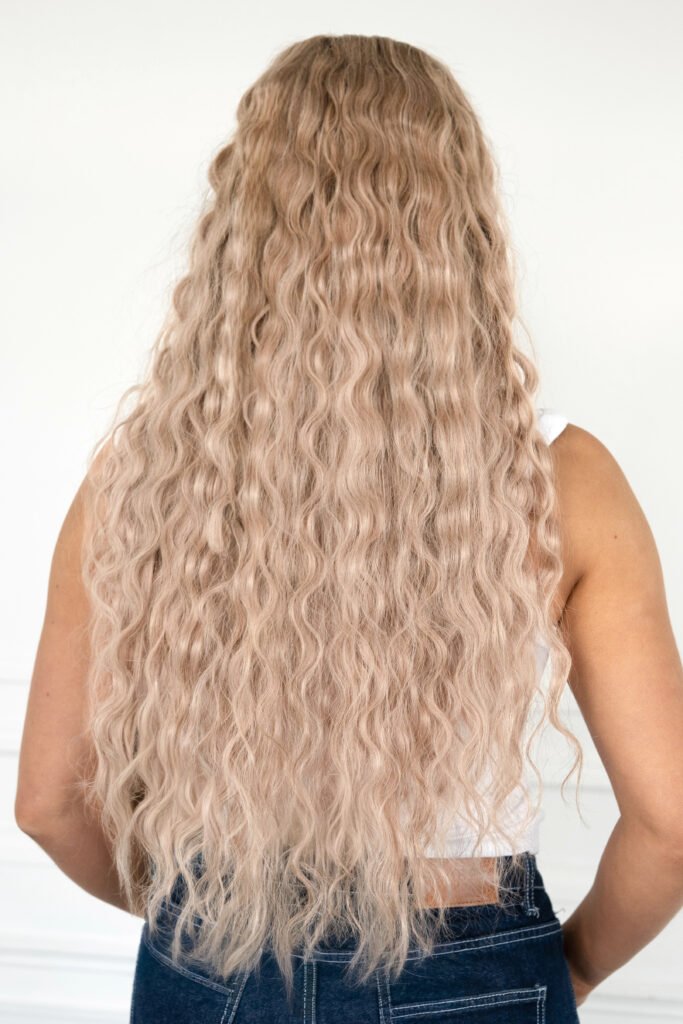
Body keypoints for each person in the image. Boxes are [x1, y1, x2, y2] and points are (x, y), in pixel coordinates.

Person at [15, 33, 683, 1024]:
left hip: (215, 963)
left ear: (244, 225)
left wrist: (200, 926)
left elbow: (48, 803)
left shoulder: (143, 475)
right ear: (459, 228)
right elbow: (671, 824)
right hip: (478, 973)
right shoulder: (564, 479)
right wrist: (564, 971)